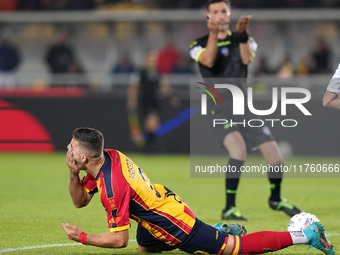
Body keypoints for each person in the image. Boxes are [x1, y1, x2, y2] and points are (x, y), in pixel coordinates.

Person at [61, 127, 335, 255]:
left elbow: (118, 240)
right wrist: (74, 173)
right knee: (145, 249)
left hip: (174, 223)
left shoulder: (112, 185)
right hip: (158, 207)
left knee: (234, 249)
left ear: (86, 157)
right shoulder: (107, 157)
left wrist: (83, 237)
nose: (69, 150)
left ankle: (305, 235)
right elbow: (80, 201)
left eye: (72, 148)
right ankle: (217, 228)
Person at [189, 0, 301, 221]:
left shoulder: (244, 38)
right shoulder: (198, 43)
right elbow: (209, 61)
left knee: (276, 158)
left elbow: (247, 58)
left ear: (230, 14)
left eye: (224, 11)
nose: (220, 15)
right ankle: (229, 208)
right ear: (208, 17)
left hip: (243, 107)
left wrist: (241, 34)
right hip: (218, 109)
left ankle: (275, 199)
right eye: (215, 12)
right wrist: (213, 35)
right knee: (238, 151)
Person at [126, 49, 179, 152]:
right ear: (146, 60)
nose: (153, 61)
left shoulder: (158, 73)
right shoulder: (140, 73)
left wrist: (171, 97)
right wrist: (132, 100)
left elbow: (164, 87)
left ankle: (150, 146)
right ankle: (152, 146)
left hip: (155, 101)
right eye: (151, 59)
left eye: (155, 59)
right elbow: (133, 88)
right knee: (150, 124)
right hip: (144, 101)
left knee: (153, 125)